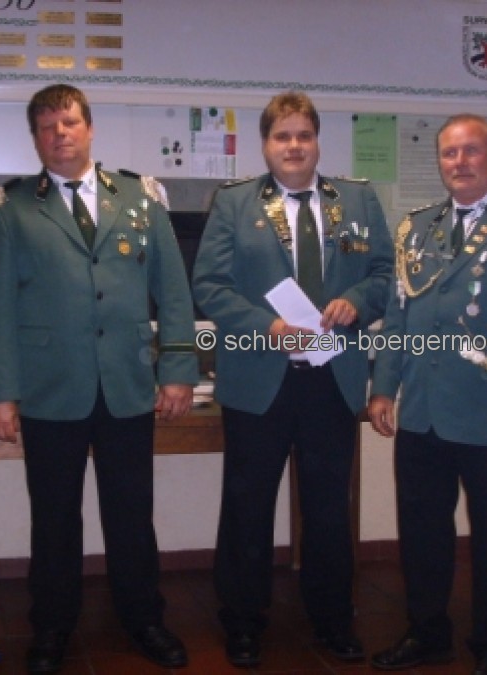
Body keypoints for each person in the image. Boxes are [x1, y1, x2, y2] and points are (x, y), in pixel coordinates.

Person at [0, 83, 198, 674]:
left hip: (128, 383)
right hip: (49, 389)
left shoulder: (141, 197)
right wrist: (0, 393)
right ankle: (52, 627)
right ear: (35, 138)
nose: (60, 134)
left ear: (90, 128)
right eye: (48, 126)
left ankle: (145, 620)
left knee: (132, 514)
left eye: (70, 122)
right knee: (54, 518)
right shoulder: (9, 209)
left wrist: (178, 369)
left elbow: (174, 293)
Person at [192, 91, 393, 668]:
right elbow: (209, 285)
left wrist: (357, 301)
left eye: (304, 134)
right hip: (261, 377)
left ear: (317, 141)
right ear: (266, 144)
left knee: (329, 508)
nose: (294, 145)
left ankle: (332, 619)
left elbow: (384, 274)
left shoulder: (357, 199)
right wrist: (268, 326)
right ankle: (242, 620)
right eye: (283, 136)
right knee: (248, 505)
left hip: (332, 379)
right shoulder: (234, 203)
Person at [367, 114, 487, 675]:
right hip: (422, 411)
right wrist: (384, 387)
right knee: (422, 535)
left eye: (471, 150)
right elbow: (399, 316)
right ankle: (427, 634)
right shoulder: (417, 228)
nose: (459, 162)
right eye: (450, 153)